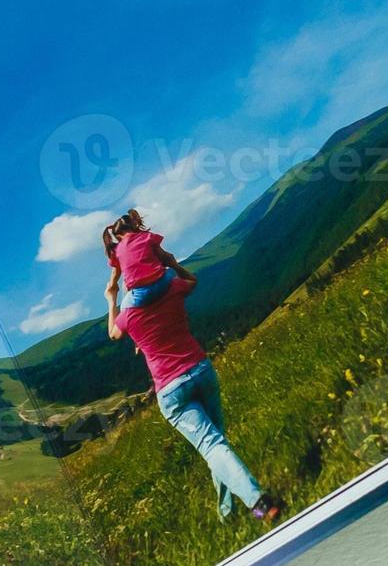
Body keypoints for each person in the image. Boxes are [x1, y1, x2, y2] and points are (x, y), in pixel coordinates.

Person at [101, 210, 284, 523]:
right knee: (218, 444)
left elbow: (113, 333)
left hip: (170, 390)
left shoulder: (128, 315)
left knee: (213, 446)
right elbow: (191, 281)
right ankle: (227, 513)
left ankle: (259, 504)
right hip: (200, 369)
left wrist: (111, 297)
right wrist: (170, 262)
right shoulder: (172, 287)